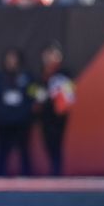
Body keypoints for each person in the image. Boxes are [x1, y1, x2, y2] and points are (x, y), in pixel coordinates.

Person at [0, 48, 35, 176]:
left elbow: (34, 96)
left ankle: (27, 177)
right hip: (4, 121)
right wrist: (0, 112)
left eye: (14, 59)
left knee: (24, 151)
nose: (11, 62)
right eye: (9, 59)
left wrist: (25, 111)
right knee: (2, 152)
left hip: (21, 121)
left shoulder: (27, 77)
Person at [33, 42, 75, 175]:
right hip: (45, 114)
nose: (50, 57)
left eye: (53, 54)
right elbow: (33, 90)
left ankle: (57, 171)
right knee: (47, 142)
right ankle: (53, 168)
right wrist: (38, 95)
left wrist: (59, 96)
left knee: (57, 142)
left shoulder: (64, 73)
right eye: (48, 54)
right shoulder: (40, 73)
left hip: (59, 114)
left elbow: (70, 91)